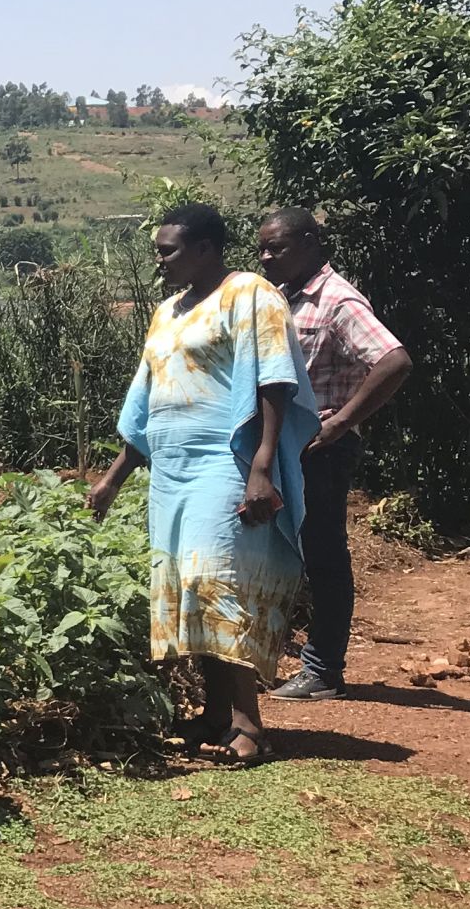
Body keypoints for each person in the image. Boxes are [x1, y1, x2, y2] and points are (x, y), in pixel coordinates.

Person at [89, 203, 319, 765]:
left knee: (219, 583)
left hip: (226, 463)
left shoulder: (250, 294)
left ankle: (249, 724)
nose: (159, 261)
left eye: (168, 251)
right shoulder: (169, 311)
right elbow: (146, 400)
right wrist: (115, 477)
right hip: (172, 471)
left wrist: (261, 467)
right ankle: (215, 715)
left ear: (205, 249)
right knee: (187, 586)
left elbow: (274, 380)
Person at [255, 207, 413, 701]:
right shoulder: (283, 298)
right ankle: (282, 655)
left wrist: (342, 421)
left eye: (275, 247)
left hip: (320, 453)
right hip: (283, 450)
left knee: (323, 556)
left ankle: (323, 669)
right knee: (284, 551)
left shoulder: (337, 301)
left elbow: (394, 360)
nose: (264, 257)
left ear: (308, 243)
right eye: (261, 247)